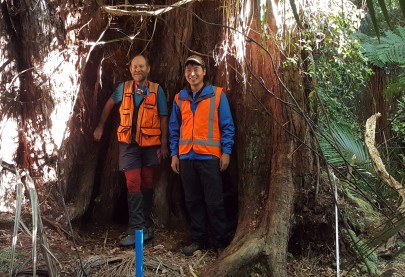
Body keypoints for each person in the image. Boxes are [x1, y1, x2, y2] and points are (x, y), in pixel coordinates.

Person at [94, 54, 168, 247]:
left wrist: (164, 144)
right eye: (135, 66)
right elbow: (109, 104)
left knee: (147, 182)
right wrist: (100, 126)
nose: (138, 70)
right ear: (130, 69)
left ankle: (145, 225)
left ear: (148, 69)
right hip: (128, 144)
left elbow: (163, 117)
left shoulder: (156, 90)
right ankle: (136, 228)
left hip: (151, 144)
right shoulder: (124, 88)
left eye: (141, 66)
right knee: (133, 182)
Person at [169, 54, 235, 256]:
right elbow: (174, 128)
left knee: (214, 200)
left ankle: (220, 242)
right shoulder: (180, 98)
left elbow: (227, 126)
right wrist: (174, 154)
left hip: (209, 157)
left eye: (196, 69)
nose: (192, 73)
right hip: (187, 157)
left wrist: (226, 152)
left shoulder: (217, 95)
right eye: (188, 69)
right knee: (192, 200)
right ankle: (198, 240)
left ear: (204, 72)